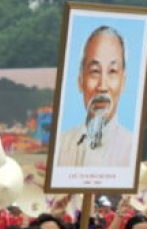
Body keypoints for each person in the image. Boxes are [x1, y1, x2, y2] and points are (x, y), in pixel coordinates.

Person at [57, 26, 134, 168]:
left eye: (112, 71)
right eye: (95, 71)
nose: (102, 86)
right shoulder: (60, 146)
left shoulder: (132, 148)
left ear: (123, 82)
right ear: (80, 80)